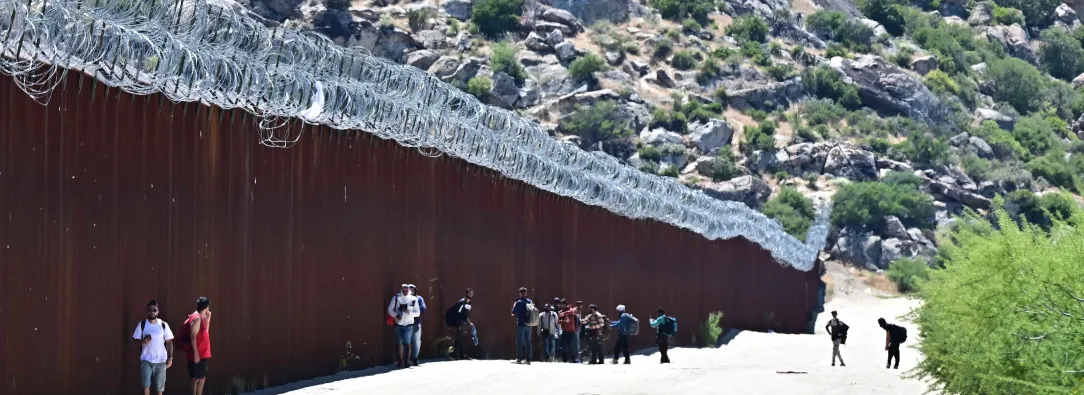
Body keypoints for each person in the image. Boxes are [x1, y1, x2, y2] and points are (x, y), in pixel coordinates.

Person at [132, 300, 174, 395]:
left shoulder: (163, 325)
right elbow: (134, 341)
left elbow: (169, 342)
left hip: (161, 361)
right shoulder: (142, 325)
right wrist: (143, 341)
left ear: (158, 312)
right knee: (146, 385)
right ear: (147, 311)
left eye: (154, 309)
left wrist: (170, 357)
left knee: (160, 388)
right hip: (146, 360)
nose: (152, 311)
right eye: (150, 309)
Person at [183, 297, 212, 395]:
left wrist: (208, 320)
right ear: (206, 307)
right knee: (195, 378)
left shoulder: (202, 317)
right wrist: (196, 354)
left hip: (203, 354)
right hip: (197, 354)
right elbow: (192, 336)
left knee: (202, 378)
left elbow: (204, 332)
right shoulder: (196, 318)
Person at [387, 284, 421, 368]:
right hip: (398, 323)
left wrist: (409, 312)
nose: (405, 292)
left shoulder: (413, 299)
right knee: (399, 343)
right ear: (401, 290)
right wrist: (395, 315)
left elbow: (418, 313)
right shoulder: (396, 298)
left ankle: (406, 361)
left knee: (407, 343)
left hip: (409, 324)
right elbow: (390, 309)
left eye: (407, 290)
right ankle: (401, 360)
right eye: (404, 290)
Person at [510, 287, 533, 364]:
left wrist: (514, 305)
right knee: (528, 341)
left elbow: (512, 313)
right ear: (526, 293)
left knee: (520, 342)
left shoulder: (518, 302)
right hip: (529, 324)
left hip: (521, 324)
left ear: (520, 293)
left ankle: (519, 359)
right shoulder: (530, 301)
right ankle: (528, 359)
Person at [452, 288, 474, 360]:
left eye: (472, 293)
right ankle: (454, 354)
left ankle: (462, 355)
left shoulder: (469, 303)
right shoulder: (462, 302)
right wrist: (458, 325)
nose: (471, 294)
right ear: (466, 294)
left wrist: (470, 322)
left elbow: (466, 314)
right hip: (460, 322)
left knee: (461, 339)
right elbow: (457, 313)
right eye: (470, 293)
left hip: (464, 323)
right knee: (459, 339)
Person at [408, 284, 427, 366]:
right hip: (407, 323)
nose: (411, 291)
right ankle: (406, 359)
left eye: (413, 289)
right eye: (409, 289)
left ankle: (415, 358)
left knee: (416, 341)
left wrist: (415, 308)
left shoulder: (419, 298)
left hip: (416, 323)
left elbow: (423, 308)